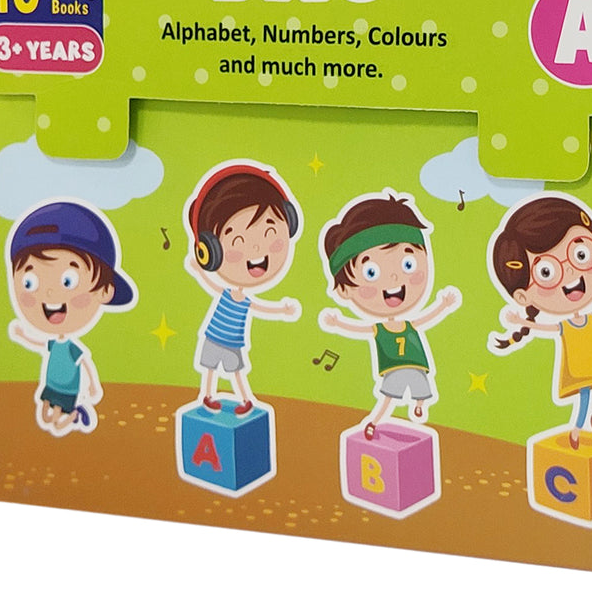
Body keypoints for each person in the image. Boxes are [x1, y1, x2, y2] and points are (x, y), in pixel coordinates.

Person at [488, 193, 592, 447]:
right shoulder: (565, 326)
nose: (570, 270)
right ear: (522, 296)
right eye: (546, 271)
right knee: (584, 395)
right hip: (580, 366)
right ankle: (577, 428)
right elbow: (546, 326)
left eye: (581, 254)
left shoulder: (591, 317)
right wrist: (523, 322)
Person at [320, 192, 460, 439]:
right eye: (371, 272)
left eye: (408, 264)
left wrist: (443, 306)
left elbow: (425, 318)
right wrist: (339, 323)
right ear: (344, 289)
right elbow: (360, 329)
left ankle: (419, 406)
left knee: (421, 391)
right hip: (393, 369)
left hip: (417, 367)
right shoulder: (379, 329)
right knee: (388, 397)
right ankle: (374, 421)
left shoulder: (408, 324)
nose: (394, 278)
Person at [7, 198, 136, 435]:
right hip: (51, 386)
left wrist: (94, 387)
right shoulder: (54, 343)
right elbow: (39, 344)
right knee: (45, 415)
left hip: (68, 391)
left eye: (68, 280)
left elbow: (84, 363)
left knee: (57, 422)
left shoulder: (72, 348)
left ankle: (76, 415)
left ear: (106, 291)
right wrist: (22, 335)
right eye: (29, 282)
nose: (48, 293)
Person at [185, 161, 301, 414]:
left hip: (232, 342)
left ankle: (246, 399)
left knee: (235, 371)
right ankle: (207, 395)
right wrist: (198, 271)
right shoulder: (226, 293)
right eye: (237, 241)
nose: (256, 249)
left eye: (269, 234)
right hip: (214, 337)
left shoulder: (244, 300)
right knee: (210, 368)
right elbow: (211, 284)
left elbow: (261, 307)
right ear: (209, 252)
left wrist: (281, 310)